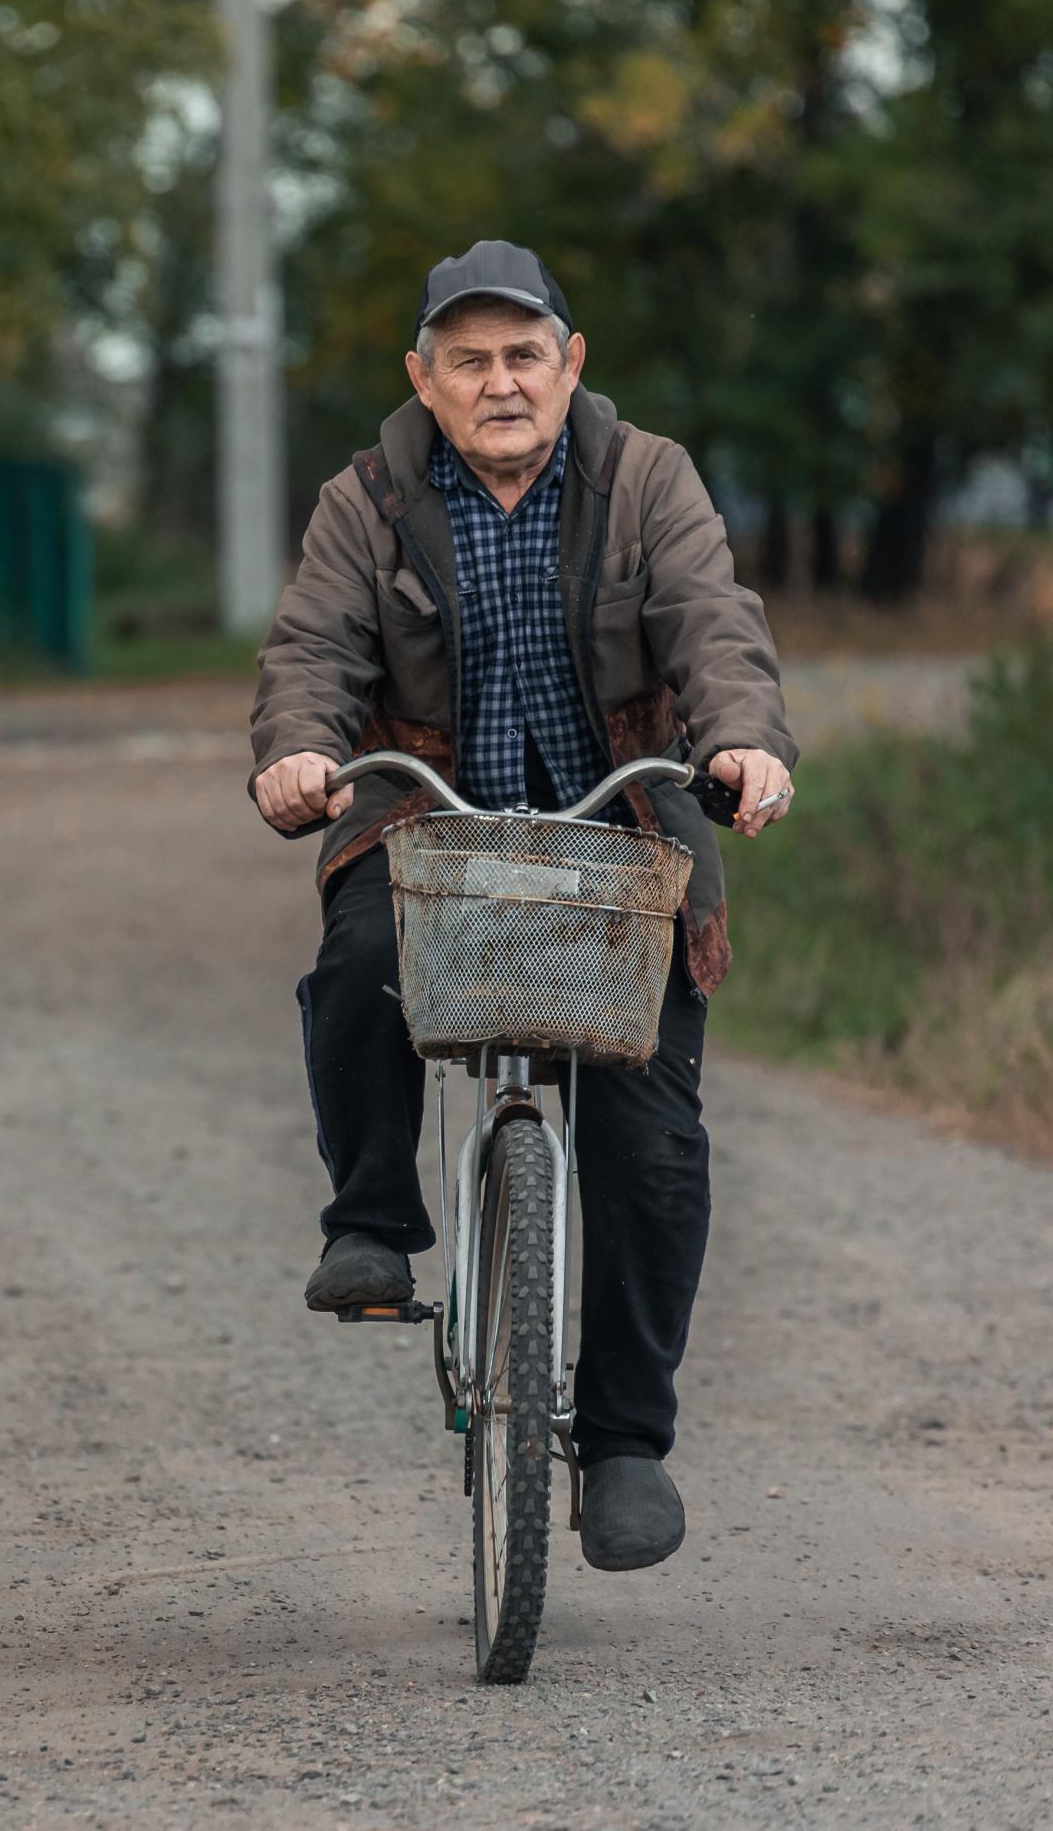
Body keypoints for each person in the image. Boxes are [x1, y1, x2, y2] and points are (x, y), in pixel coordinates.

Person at [248, 240, 798, 1573]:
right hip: (426, 823)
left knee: (652, 1142)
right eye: (472, 359)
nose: (503, 382)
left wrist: (741, 739)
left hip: (624, 828)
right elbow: (313, 644)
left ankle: (621, 1444)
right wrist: (297, 751)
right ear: (423, 378)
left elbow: (713, 622)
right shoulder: (367, 498)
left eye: (524, 354)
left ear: (571, 364)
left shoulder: (644, 478)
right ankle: (373, 1222)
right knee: (366, 948)